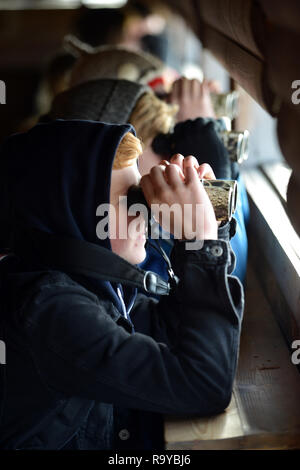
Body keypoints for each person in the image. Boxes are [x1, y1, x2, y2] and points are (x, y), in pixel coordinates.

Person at [0, 120, 243, 450]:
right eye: (130, 199)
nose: (144, 212)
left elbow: (167, 330)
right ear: (77, 211)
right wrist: (197, 243)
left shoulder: (94, 284)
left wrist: (209, 225)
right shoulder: (49, 308)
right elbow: (204, 387)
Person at [46, 76, 248, 283]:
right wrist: (221, 181)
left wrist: (220, 194)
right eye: (162, 142)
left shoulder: (142, 226)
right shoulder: (127, 243)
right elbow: (229, 285)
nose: (170, 160)